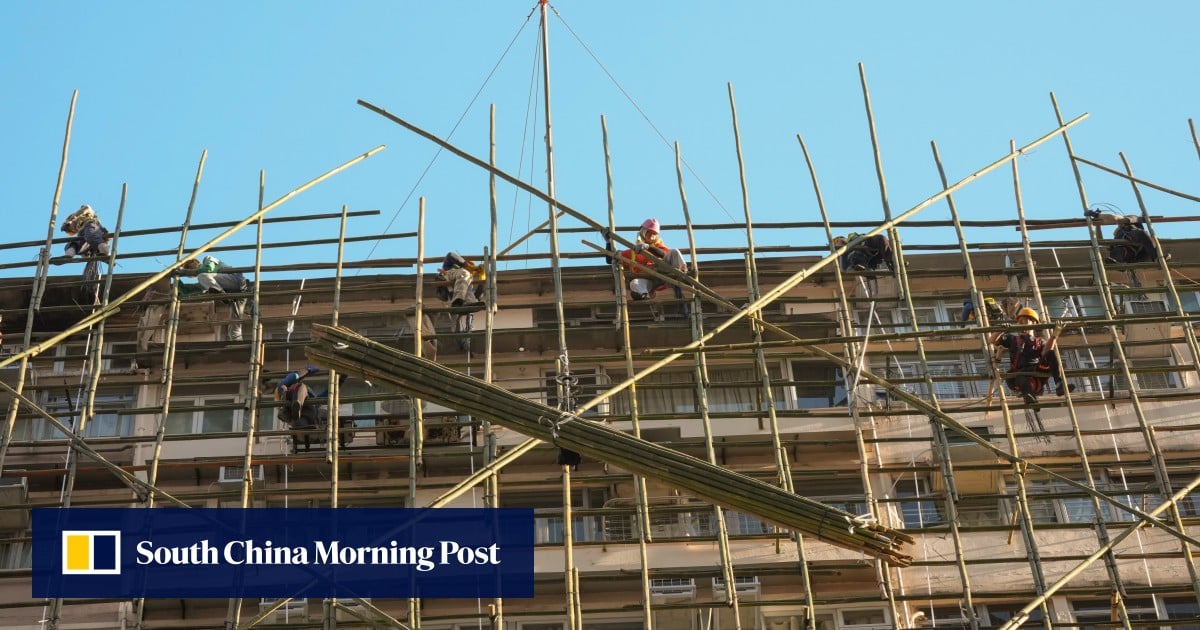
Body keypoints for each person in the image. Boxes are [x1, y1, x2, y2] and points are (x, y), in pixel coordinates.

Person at [989, 307, 1072, 403]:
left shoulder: (1039, 341)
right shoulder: (1013, 339)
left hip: (1036, 374)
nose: (1020, 322)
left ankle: (1059, 385)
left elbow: (1046, 352)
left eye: (1023, 319)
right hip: (1020, 376)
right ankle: (1029, 397)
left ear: (1033, 322)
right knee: (1021, 376)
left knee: (1051, 353)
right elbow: (991, 341)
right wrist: (1000, 330)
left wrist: (1055, 334)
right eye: (1019, 321)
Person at [605, 218, 688, 300]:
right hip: (650, 281)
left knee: (674, 251)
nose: (652, 236)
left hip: (663, 273)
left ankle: (683, 273)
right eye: (649, 233)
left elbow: (663, 254)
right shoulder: (632, 252)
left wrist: (648, 247)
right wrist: (608, 242)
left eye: (654, 234)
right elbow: (610, 260)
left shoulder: (658, 246)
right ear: (643, 231)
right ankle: (646, 294)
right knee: (634, 283)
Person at [175, 256, 254, 342]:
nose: (189, 269)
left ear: (195, 262)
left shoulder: (207, 260)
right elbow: (187, 291)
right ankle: (239, 347)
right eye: (187, 269)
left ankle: (221, 294)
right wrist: (176, 278)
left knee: (202, 276)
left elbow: (209, 269)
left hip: (235, 279)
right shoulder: (206, 281)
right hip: (237, 294)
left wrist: (184, 271)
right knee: (233, 327)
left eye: (188, 266)